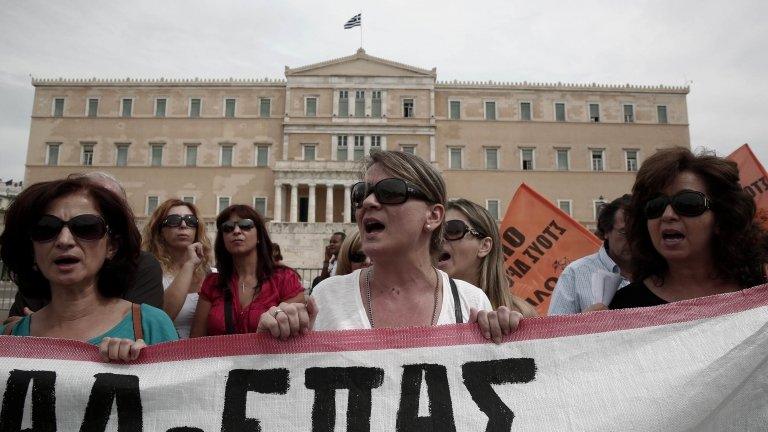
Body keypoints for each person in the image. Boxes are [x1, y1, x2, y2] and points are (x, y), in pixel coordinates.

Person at [257, 150, 521, 343]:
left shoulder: (471, 301)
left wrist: (507, 342)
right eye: (361, 194)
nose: (369, 202)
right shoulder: (326, 297)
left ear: (433, 216)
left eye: (391, 192)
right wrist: (271, 346)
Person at [0, 178, 177, 361]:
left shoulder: (151, 325)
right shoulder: (8, 337)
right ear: (31, 249)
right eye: (46, 228)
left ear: (112, 246)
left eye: (86, 227)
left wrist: (146, 367)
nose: (64, 240)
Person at [610, 147, 768, 309]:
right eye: (655, 205)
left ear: (721, 219)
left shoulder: (760, 289)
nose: (667, 214)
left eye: (688, 203)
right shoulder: (625, 306)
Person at [190, 205, 305, 336]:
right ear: (222, 239)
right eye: (228, 227)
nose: (236, 231)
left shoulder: (285, 279)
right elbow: (196, 340)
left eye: (245, 225)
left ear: (259, 236)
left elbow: (296, 334)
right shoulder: (212, 283)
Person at [437, 199, 538, 317]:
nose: (439, 239)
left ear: (484, 246)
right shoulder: (425, 309)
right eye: (435, 232)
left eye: (453, 230)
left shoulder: (520, 314)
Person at [548, 195, 633, 315]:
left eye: (639, 231)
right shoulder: (575, 274)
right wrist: (584, 323)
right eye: (624, 232)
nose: (634, 239)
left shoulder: (659, 271)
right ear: (606, 232)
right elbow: (554, 330)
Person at [143, 199, 213, 338]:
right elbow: (162, 318)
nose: (183, 225)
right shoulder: (149, 270)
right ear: (160, 230)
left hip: (200, 355)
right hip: (162, 352)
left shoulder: (210, 273)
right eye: (174, 220)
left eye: (190, 221)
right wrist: (189, 265)